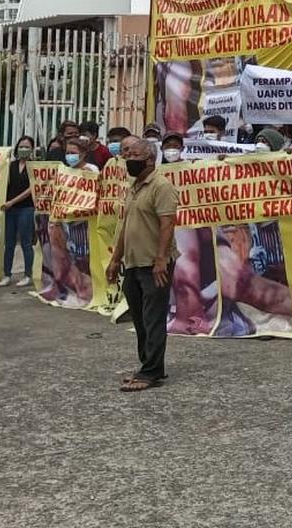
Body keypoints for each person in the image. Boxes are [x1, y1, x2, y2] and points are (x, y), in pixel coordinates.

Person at [105, 138, 178, 392]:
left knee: (153, 317)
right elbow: (126, 226)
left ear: (149, 159)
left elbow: (167, 224)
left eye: (134, 154)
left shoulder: (161, 186)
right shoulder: (134, 187)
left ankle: (152, 372)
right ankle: (147, 364)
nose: (128, 158)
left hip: (154, 263)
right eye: (126, 154)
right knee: (139, 318)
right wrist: (115, 259)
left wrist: (161, 259)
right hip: (134, 263)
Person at [0, 136, 36, 288]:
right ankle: (7, 274)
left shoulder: (34, 166)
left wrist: (13, 201)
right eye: (21, 146)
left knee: (26, 242)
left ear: (32, 149)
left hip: (26, 208)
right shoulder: (10, 166)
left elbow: (32, 189)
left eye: (27, 147)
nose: (23, 149)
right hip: (9, 209)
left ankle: (28, 275)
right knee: (9, 243)